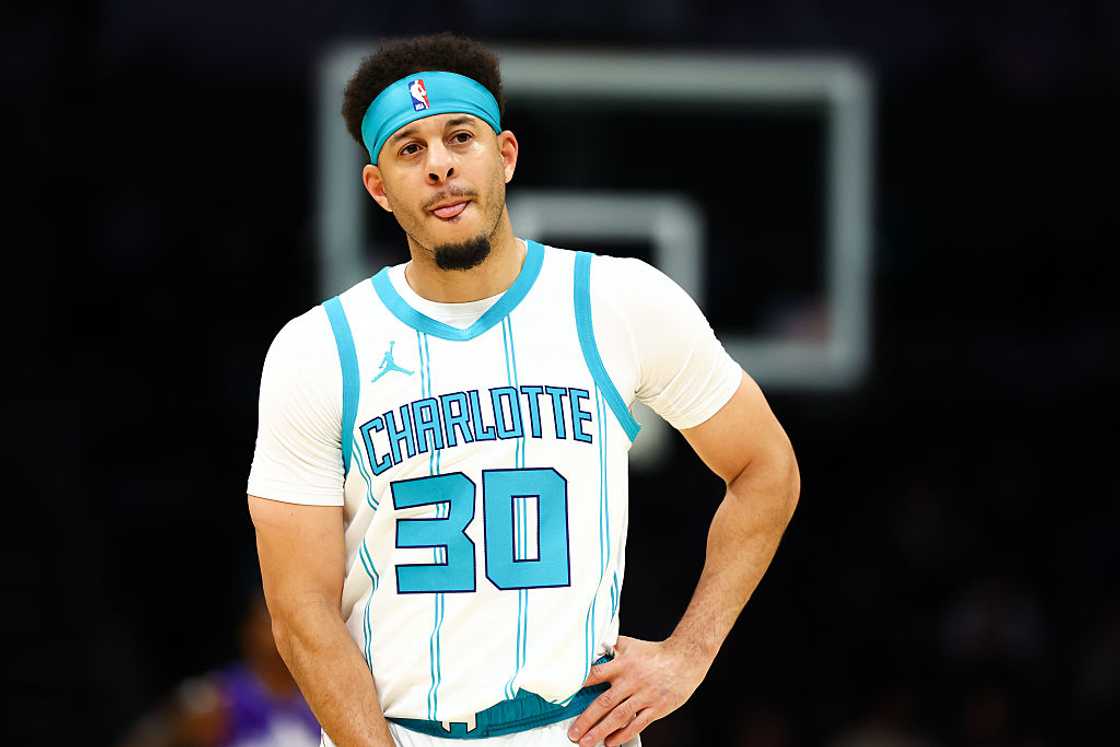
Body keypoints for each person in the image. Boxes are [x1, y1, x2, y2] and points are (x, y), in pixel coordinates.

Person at [246, 32, 800, 747]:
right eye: (409, 149)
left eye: (459, 137)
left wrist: (689, 654)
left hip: (574, 728)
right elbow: (299, 610)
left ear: (504, 154)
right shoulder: (319, 349)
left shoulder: (616, 301)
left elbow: (766, 469)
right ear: (379, 187)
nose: (440, 163)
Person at [117, 593, 320, 747]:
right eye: (268, 622)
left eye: (288, 622)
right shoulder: (222, 697)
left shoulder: (318, 700)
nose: (277, 632)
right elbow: (151, 735)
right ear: (249, 632)